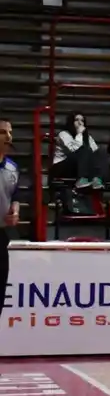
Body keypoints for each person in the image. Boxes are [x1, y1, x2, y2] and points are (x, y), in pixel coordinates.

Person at [52, 113, 108, 189]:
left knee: (101, 152)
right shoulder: (63, 134)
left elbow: (94, 151)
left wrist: (85, 136)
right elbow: (74, 149)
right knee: (84, 150)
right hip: (61, 166)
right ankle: (82, 179)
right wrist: (79, 134)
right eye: (76, 120)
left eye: (82, 120)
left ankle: (97, 179)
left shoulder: (86, 136)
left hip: (77, 166)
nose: (80, 123)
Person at [0, 120, 18, 303]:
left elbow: (15, 195)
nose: (8, 137)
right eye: (3, 132)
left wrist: (15, 210)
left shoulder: (12, 168)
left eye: (10, 132)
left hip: (1, 235)